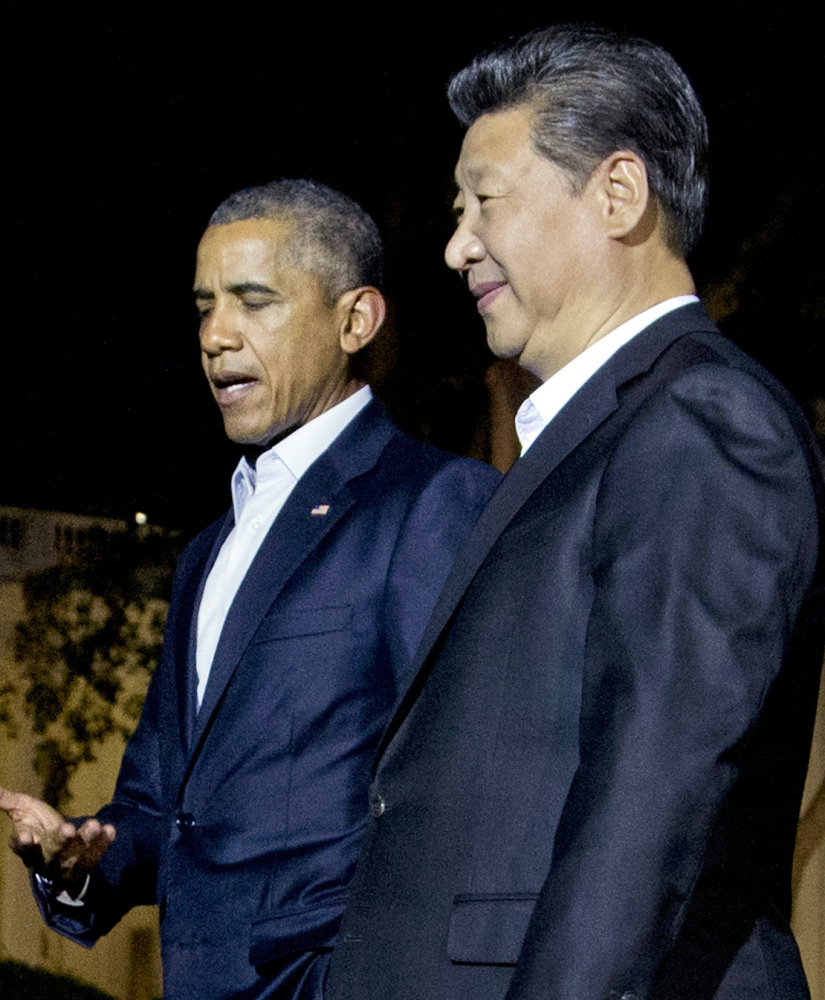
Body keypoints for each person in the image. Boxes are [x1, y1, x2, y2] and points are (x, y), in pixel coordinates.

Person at [326, 26, 825, 1000]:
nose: (456, 244)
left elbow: (642, 818)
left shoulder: (702, 419)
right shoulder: (586, 440)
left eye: (486, 204)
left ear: (619, 194)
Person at [0, 179, 500, 1000]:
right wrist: (80, 856)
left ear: (355, 320)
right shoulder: (207, 552)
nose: (215, 334)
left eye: (253, 301)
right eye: (204, 306)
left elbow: (465, 787)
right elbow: (162, 807)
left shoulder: (431, 502)